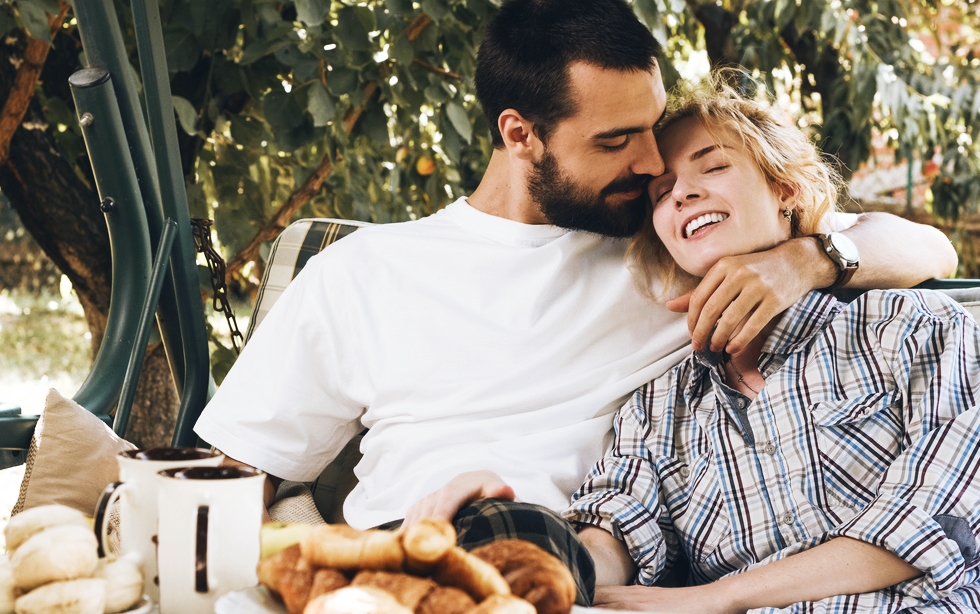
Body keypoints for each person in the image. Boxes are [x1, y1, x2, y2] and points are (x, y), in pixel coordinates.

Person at [194, 0, 957, 606]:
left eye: (652, 129)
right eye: (618, 141)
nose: (654, 163)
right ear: (521, 135)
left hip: (563, 561)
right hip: (399, 552)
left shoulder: (668, 246)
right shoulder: (362, 272)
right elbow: (225, 481)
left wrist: (806, 260)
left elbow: (933, 253)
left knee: (523, 546)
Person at [562, 74, 980, 613]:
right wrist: (551, 573)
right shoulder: (662, 405)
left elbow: (936, 515)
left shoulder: (911, 328)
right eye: (662, 193)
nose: (683, 192)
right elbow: (616, 518)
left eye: (713, 167)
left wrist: (717, 598)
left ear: (786, 190)